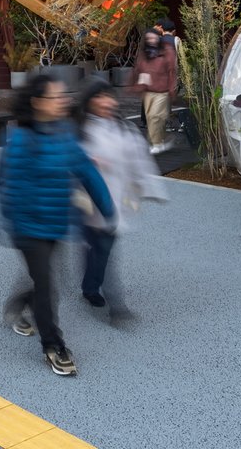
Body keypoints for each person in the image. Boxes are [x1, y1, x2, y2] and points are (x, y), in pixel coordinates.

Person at [0, 71, 114, 377]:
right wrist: (12, 220)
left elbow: (87, 171)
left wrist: (107, 207)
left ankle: (17, 304)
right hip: (27, 227)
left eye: (65, 95)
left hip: (55, 223)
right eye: (56, 96)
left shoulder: (65, 134)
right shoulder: (21, 140)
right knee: (48, 287)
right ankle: (54, 346)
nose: (63, 101)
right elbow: (6, 185)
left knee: (45, 280)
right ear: (37, 103)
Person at [74, 80, 166, 319]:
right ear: (90, 101)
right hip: (85, 202)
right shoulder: (79, 129)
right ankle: (104, 296)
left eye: (109, 97)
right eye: (100, 98)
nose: (107, 103)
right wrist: (87, 161)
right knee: (97, 247)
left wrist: (149, 188)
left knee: (103, 249)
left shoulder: (123, 129)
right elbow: (65, 159)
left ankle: (99, 291)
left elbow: (139, 160)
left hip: (112, 200)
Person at [133, 28, 177, 154]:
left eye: (154, 38)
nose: (151, 41)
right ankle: (160, 140)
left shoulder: (167, 52)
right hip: (148, 90)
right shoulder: (144, 53)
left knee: (154, 117)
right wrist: (136, 85)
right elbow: (139, 69)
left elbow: (171, 72)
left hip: (162, 91)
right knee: (153, 117)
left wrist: (171, 89)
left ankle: (156, 144)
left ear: (159, 38)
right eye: (149, 38)